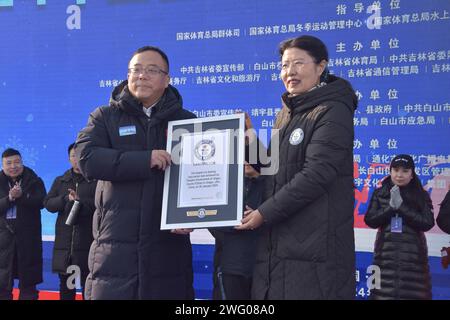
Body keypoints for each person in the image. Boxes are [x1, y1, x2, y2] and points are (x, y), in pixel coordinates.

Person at [236, 35, 357, 299]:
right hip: (280, 246)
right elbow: (274, 169)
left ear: (321, 66)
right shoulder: (287, 113)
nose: (289, 72)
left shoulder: (333, 111)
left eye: (298, 64)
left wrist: (263, 213)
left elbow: (317, 174)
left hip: (314, 250)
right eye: (284, 65)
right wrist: (250, 140)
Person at [75, 46, 196, 300]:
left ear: (167, 79)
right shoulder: (104, 117)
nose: (142, 76)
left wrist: (191, 215)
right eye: (136, 70)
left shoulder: (187, 123)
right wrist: (145, 159)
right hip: (114, 252)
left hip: (167, 253)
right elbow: (88, 159)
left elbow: (198, 179)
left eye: (152, 70)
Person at [364, 154, 434, 300]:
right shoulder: (380, 193)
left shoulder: (421, 195)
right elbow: (370, 220)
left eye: (405, 171)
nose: (399, 175)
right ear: (390, 171)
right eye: (396, 170)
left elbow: (427, 222)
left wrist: (402, 207)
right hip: (384, 259)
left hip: (413, 262)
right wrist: (390, 208)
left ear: (412, 174)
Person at [211, 116, 266, 299]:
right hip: (231, 268)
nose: (245, 160)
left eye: (249, 153)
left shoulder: (272, 186)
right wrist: (240, 220)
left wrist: (262, 215)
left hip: (265, 269)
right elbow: (212, 222)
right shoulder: (222, 186)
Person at [43, 143, 97, 300]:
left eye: (80, 154)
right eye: (73, 155)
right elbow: (48, 204)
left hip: (87, 245)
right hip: (66, 249)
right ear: (69, 159)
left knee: (90, 288)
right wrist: (66, 199)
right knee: (67, 288)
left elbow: (100, 207)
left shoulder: (96, 181)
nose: (76, 158)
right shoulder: (61, 181)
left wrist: (80, 203)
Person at [0, 148, 46, 300]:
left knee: (28, 286)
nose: (13, 166)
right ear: (3, 165)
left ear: (22, 162)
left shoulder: (34, 180)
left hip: (27, 239)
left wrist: (21, 197)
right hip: (3, 240)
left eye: (17, 162)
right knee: (2, 285)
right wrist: (9, 199)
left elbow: (42, 202)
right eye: (9, 163)